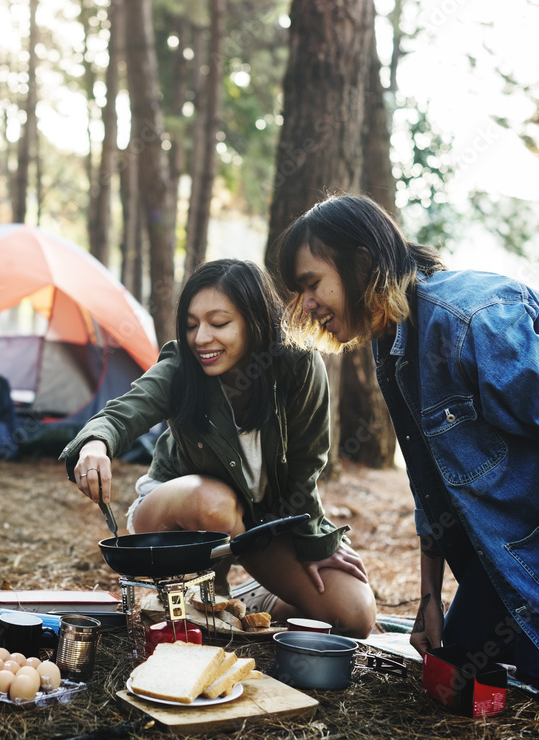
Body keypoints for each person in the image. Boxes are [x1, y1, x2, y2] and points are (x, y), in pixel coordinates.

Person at [275, 193, 539, 685]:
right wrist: (429, 598)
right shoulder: (391, 343)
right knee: (450, 671)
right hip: (498, 573)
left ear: (361, 260)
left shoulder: (474, 320)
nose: (307, 304)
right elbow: (430, 488)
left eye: (312, 284)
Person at [60, 259, 376, 637]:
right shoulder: (182, 366)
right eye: (192, 325)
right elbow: (123, 412)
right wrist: (96, 444)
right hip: (174, 517)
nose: (201, 338)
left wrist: (315, 542)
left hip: (255, 528)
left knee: (354, 617)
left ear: (256, 322)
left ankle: (257, 598)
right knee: (214, 503)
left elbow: (306, 468)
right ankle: (207, 594)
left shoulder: (299, 365)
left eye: (219, 323)